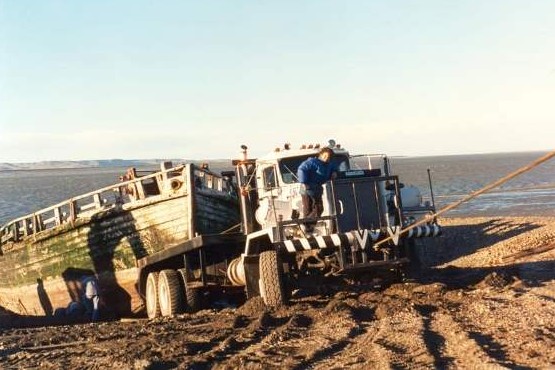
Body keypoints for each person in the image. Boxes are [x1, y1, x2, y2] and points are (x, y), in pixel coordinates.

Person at [297, 147, 337, 232]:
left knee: (319, 209)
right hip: (307, 188)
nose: (327, 158)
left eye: (329, 157)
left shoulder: (329, 165)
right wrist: (303, 182)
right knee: (308, 209)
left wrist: (334, 172)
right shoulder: (312, 162)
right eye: (325, 156)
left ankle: (308, 224)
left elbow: (333, 168)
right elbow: (302, 169)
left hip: (317, 189)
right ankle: (307, 227)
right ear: (321, 155)